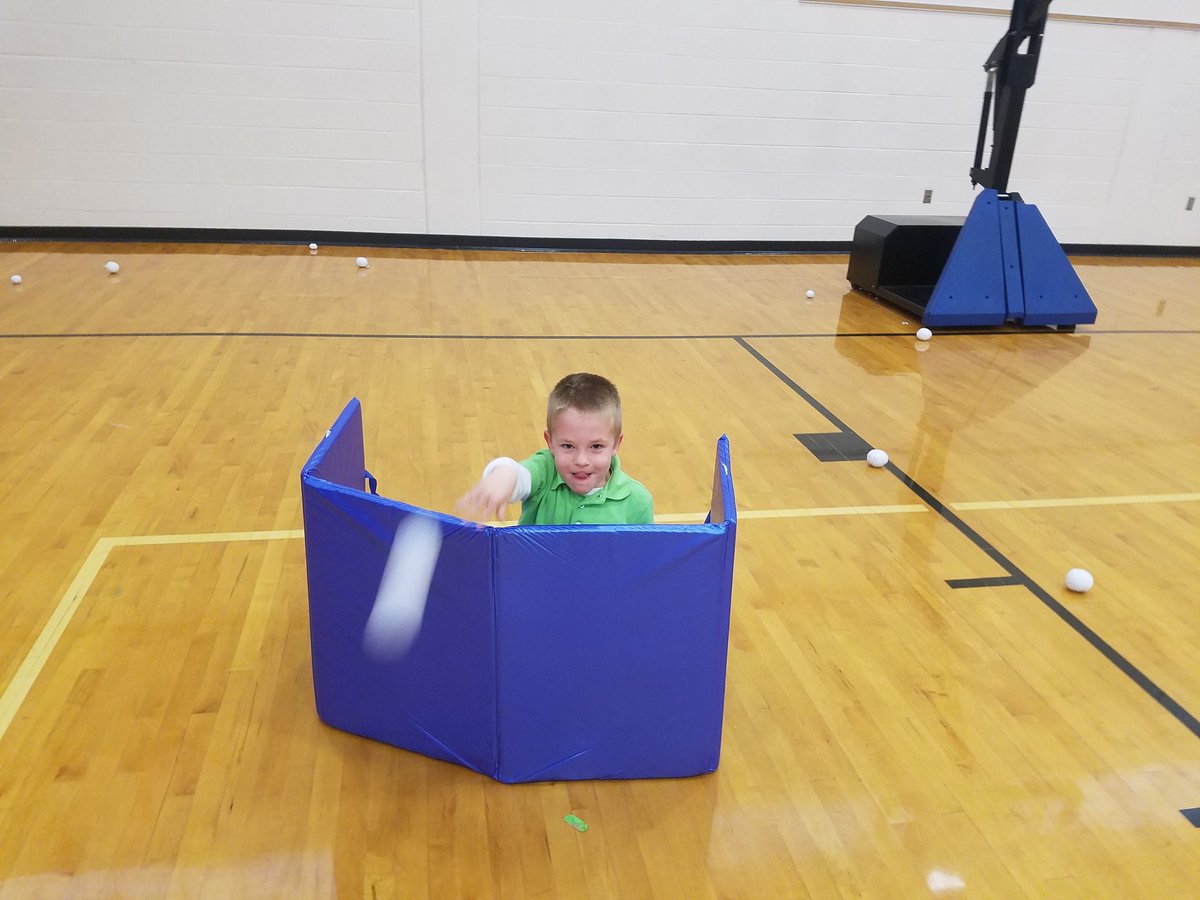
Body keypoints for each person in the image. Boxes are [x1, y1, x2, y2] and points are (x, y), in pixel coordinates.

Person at [456, 373, 654, 525]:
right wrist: (503, 474)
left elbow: (639, 564)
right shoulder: (546, 471)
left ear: (616, 444)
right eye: (568, 446)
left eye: (596, 446)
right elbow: (520, 475)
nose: (581, 460)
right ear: (550, 442)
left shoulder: (638, 501)